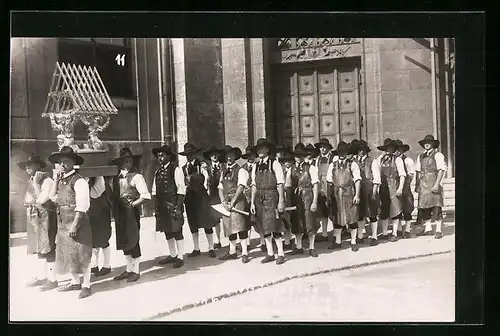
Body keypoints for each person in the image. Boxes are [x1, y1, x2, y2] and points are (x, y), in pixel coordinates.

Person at [48, 146, 93, 299]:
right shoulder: (61, 180)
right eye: (60, 162)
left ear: (73, 162)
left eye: (66, 161)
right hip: (63, 221)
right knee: (68, 253)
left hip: (76, 221)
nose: (62, 165)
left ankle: (86, 285)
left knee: (82, 253)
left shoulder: (79, 181)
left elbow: (83, 205)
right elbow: (53, 197)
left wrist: (75, 225)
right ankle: (75, 282)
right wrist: (55, 180)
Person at [110, 148, 151, 282]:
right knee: (124, 240)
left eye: (129, 160)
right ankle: (128, 269)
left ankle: (136, 270)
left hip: (130, 213)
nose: (127, 163)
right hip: (119, 212)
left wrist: (132, 205)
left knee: (133, 239)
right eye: (124, 161)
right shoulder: (116, 177)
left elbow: (145, 196)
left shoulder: (137, 176)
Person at [19, 155, 58, 291]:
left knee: (48, 245)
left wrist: (36, 184)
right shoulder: (30, 180)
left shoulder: (46, 180)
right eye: (26, 165)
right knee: (39, 246)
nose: (27, 167)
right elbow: (28, 199)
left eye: (31, 164)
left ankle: (52, 279)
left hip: (47, 216)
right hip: (36, 217)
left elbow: (41, 199)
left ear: (38, 166)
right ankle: (42, 276)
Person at [250, 138, 287, 265]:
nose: (260, 151)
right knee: (263, 226)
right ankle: (270, 253)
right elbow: (254, 185)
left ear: (267, 149)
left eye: (262, 148)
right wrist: (252, 203)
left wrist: (281, 201)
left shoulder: (275, 163)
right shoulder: (255, 166)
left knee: (275, 226)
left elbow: (280, 184)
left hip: (272, 197)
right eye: (258, 149)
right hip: (259, 197)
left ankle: (281, 254)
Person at [179, 143, 217, 258]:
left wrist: (205, 191)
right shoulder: (184, 167)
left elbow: (207, 178)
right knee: (193, 223)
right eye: (187, 154)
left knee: (207, 223)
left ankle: (211, 247)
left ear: (194, 154)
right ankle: (196, 248)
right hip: (190, 198)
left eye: (191, 154)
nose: (189, 156)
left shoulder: (201, 164)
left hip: (201, 197)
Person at [152, 145, 187, 269]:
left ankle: (180, 256)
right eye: (159, 156)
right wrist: (156, 208)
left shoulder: (176, 170)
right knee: (167, 232)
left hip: (173, 206)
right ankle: (172, 254)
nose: (160, 158)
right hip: (162, 208)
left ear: (169, 157)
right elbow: (154, 191)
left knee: (177, 231)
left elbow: (181, 189)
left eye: (163, 155)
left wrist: (178, 207)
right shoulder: (157, 172)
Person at [218, 146, 251, 263]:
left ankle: (245, 252)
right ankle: (232, 251)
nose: (229, 158)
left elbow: (241, 187)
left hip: (238, 201)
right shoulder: (223, 172)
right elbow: (220, 187)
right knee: (229, 227)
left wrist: (233, 202)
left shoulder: (241, 170)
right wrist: (223, 201)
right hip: (227, 202)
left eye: (231, 155)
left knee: (241, 227)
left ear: (235, 156)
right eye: (227, 156)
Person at [326, 141, 362, 252]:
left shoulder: (353, 164)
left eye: (344, 152)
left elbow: (357, 180)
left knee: (352, 218)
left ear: (347, 153)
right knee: (337, 219)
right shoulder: (333, 165)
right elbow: (329, 181)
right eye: (340, 152)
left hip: (349, 194)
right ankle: (337, 241)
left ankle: (353, 242)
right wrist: (329, 196)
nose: (342, 155)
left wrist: (357, 195)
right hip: (337, 195)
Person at [288, 143, 320, 258]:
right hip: (295, 198)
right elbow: (288, 185)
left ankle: (311, 247)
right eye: (296, 155)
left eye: (301, 155)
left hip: (308, 196)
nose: (299, 157)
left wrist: (315, 201)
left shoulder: (311, 168)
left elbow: (315, 184)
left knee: (309, 221)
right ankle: (299, 247)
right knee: (297, 222)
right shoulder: (290, 169)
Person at [415, 135, 447, 239]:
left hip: (434, 182)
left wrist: (437, 184)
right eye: (425, 142)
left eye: (429, 142)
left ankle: (438, 230)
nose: (427, 144)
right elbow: (419, 171)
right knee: (425, 207)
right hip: (424, 184)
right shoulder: (420, 156)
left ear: (433, 144)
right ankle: (428, 229)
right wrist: (418, 185)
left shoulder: (438, 155)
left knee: (436, 206)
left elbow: (442, 170)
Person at [376, 138, 407, 242]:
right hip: (384, 187)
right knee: (384, 210)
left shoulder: (397, 159)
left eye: (391, 147)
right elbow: (377, 172)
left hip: (394, 185)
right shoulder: (380, 159)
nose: (389, 149)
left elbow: (402, 175)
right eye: (387, 148)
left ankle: (394, 233)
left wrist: (400, 188)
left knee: (395, 209)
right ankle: (384, 233)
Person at [351, 139, 381, 246]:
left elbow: (377, 178)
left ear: (366, 150)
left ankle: (374, 236)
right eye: (359, 150)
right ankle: (360, 235)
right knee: (360, 213)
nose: (361, 152)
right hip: (359, 190)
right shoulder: (354, 161)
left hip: (369, 188)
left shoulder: (372, 161)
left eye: (363, 150)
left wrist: (373, 192)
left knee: (372, 213)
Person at [87, 176, 112, 277]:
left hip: (100, 210)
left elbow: (95, 194)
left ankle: (107, 265)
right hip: (92, 211)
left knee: (103, 239)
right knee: (93, 239)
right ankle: (95, 264)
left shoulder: (99, 177)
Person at [313, 138, 338, 243]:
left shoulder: (333, 158)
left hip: (331, 185)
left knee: (334, 210)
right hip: (320, 187)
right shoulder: (317, 159)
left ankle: (337, 234)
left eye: (324, 147)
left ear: (328, 148)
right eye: (321, 147)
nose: (322, 149)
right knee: (323, 211)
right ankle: (324, 233)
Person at [241, 145, 265, 251]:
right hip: (246, 196)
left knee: (260, 218)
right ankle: (247, 242)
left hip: (257, 194)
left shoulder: (259, 166)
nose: (250, 158)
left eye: (252, 156)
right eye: (248, 156)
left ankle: (263, 241)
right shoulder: (242, 169)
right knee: (247, 220)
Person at [203, 146, 226, 250]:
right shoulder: (206, 168)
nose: (214, 156)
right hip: (212, 195)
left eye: (216, 154)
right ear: (209, 157)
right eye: (212, 155)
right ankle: (217, 241)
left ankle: (232, 240)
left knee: (227, 218)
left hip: (224, 194)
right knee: (215, 219)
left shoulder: (224, 167)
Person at [394, 139, 415, 238]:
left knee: (407, 209)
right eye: (396, 149)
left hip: (405, 187)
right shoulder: (393, 160)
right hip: (395, 186)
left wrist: (405, 186)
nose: (397, 151)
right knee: (397, 208)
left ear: (402, 150)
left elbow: (411, 175)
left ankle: (407, 230)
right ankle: (398, 229)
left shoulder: (408, 160)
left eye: (399, 149)